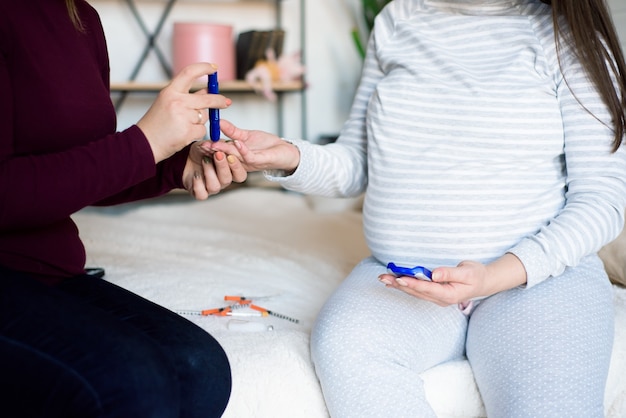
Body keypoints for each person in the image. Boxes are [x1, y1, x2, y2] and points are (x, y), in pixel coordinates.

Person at [209, 0, 626, 416]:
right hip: (406, 276)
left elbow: (603, 199)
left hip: (535, 282)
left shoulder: (566, 35)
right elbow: (356, 164)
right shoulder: (398, 19)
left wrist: (495, 276)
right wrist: (289, 156)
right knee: (345, 344)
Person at [0, 0, 245, 416]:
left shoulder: (81, 18)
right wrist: (143, 143)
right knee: (135, 381)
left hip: (44, 271)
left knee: (199, 368)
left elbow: (80, 171)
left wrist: (175, 165)